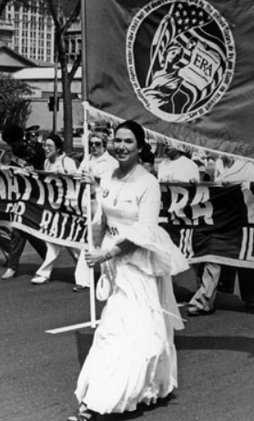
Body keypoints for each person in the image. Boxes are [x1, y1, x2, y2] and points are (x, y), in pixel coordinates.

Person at [69, 120, 188, 421]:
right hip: (112, 264)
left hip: (137, 265)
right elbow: (102, 218)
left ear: (140, 147)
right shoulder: (108, 175)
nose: (121, 146)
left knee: (119, 330)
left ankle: (98, 401)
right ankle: (142, 387)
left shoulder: (148, 184)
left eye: (128, 142)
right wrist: (93, 190)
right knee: (126, 330)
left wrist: (108, 252)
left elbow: (142, 234)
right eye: (117, 140)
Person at [186, 155, 254, 316]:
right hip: (221, 217)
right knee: (213, 254)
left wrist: (237, 186)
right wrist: (199, 185)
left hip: (241, 218)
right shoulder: (220, 163)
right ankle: (204, 301)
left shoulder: (248, 166)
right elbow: (216, 188)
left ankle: (252, 295)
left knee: (243, 259)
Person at [0, 124, 47, 279]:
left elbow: (39, 169)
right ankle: (47, 260)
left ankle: (13, 266)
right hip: (20, 195)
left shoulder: (32, 150)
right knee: (25, 230)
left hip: (35, 194)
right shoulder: (14, 152)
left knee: (22, 230)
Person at [74, 132, 120, 292]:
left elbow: (113, 186)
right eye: (91, 143)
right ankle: (83, 279)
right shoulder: (87, 159)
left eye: (97, 144)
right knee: (88, 241)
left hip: (102, 204)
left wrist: (95, 183)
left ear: (104, 145)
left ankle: (110, 276)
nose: (94, 147)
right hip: (87, 203)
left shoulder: (111, 163)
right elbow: (77, 177)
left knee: (105, 242)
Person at [30, 134, 78, 285]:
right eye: (44, 146)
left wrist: (65, 176)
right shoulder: (46, 162)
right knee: (52, 240)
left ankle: (84, 270)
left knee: (72, 243)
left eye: (49, 146)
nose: (46, 149)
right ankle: (44, 273)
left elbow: (77, 182)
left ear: (58, 148)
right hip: (53, 206)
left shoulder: (67, 162)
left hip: (69, 207)